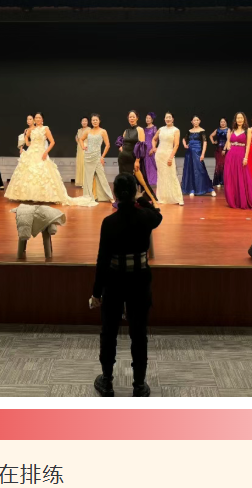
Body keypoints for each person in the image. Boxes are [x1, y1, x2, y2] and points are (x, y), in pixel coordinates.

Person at [90, 173, 163, 397]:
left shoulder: (109, 223)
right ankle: (139, 385)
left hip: (114, 281)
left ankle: (107, 381)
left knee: (109, 332)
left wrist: (96, 292)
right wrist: (142, 200)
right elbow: (157, 215)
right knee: (139, 334)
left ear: (115, 195)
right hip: (139, 280)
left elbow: (102, 260)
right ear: (134, 193)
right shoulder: (146, 218)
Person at [4, 112, 97, 206]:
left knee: (42, 174)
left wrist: (46, 152)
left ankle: (41, 196)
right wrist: (26, 138)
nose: (37, 119)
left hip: (41, 153)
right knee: (28, 174)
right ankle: (28, 195)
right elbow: (28, 143)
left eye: (39, 118)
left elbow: (52, 142)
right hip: (31, 153)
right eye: (36, 118)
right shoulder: (31, 129)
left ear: (42, 119)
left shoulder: (45, 128)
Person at [223, 112, 252, 211]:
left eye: (241, 118)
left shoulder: (248, 130)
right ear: (235, 120)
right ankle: (233, 200)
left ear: (244, 119)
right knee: (231, 178)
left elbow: (248, 145)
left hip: (241, 155)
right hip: (231, 156)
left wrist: (246, 158)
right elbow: (228, 142)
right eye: (238, 118)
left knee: (242, 177)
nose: (239, 120)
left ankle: (242, 200)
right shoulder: (233, 130)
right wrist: (228, 147)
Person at [118, 111, 157, 205]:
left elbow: (141, 146)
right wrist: (121, 148)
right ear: (128, 118)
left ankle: (153, 200)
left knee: (142, 181)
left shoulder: (139, 129)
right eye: (130, 117)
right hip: (123, 159)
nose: (131, 118)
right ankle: (127, 200)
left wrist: (137, 160)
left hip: (133, 159)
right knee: (125, 181)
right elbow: (121, 142)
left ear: (137, 118)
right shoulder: (126, 131)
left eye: (133, 117)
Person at [150, 112, 184, 206]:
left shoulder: (176, 130)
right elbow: (154, 139)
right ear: (164, 119)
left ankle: (178, 198)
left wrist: (171, 157)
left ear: (173, 119)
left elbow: (176, 145)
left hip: (169, 155)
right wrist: (154, 148)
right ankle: (162, 198)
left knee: (172, 175)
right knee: (161, 176)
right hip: (159, 155)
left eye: (169, 117)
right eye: (166, 117)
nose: (168, 119)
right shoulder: (161, 129)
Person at [80, 113, 114, 202]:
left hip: (97, 157)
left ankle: (109, 197)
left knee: (102, 177)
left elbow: (108, 145)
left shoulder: (103, 131)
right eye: (93, 120)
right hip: (88, 157)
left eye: (96, 120)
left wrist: (102, 157)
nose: (95, 121)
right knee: (88, 178)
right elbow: (81, 139)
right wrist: (83, 146)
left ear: (99, 121)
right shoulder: (88, 131)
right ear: (91, 122)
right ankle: (89, 196)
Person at [181, 115, 216, 197]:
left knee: (201, 170)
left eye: (197, 120)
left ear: (199, 121)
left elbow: (205, 143)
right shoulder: (189, 131)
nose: (196, 121)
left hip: (198, 152)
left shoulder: (202, 131)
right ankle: (192, 189)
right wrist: (185, 145)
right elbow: (184, 139)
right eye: (194, 120)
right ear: (192, 122)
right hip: (189, 153)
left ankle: (210, 189)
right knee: (190, 171)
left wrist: (203, 154)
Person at [138, 112, 158, 187]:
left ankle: (153, 180)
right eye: (147, 118)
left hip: (151, 148)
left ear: (152, 120)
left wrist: (153, 148)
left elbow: (156, 139)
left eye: (149, 118)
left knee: (152, 164)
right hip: (145, 148)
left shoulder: (154, 128)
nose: (148, 119)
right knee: (145, 164)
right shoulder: (144, 129)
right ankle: (146, 180)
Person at [209, 118, 229, 188]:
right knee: (218, 164)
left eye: (224, 122)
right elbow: (211, 136)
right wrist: (213, 142)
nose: (222, 123)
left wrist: (224, 149)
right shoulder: (217, 130)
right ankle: (218, 181)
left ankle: (225, 181)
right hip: (218, 149)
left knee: (225, 164)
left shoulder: (228, 130)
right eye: (221, 122)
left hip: (225, 149)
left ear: (226, 122)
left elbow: (228, 140)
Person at [75, 117, 91, 188]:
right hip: (79, 149)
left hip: (86, 148)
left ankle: (86, 183)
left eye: (85, 121)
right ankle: (81, 182)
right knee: (80, 164)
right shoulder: (79, 130)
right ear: (81, 122)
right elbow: (77, 138)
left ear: (88, 122)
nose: (84, 122)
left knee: (85, 165)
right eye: (83, 121)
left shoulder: (89, 129)